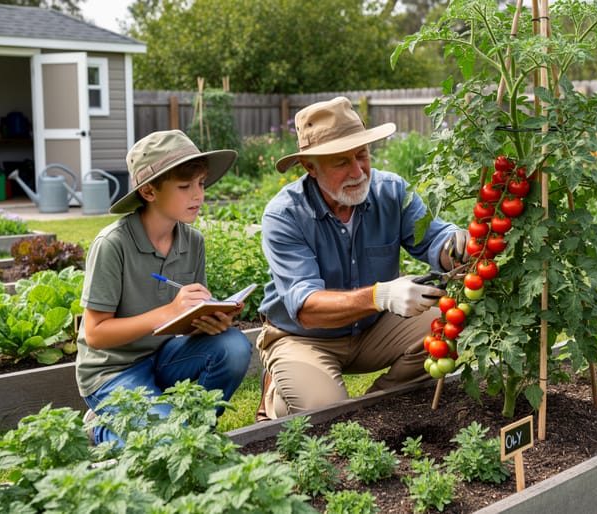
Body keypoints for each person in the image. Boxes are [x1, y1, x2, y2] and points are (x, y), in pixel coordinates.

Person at [255, 96, 469, 421]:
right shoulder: (285, 215)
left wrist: (455, 246)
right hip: (304, 337)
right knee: (322, 410)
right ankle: (279, 391)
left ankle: (376, 412)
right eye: (341, 162)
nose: (358, 171)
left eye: (362, 155)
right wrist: (380, 295)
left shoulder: (391, 191)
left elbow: (434, 240)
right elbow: (307, 308)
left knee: (446, 327)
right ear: (310, 167)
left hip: (371, 330)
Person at [76, 130, 252, 446]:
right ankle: (101, 427)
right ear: (148, 191)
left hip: (164, 357)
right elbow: (96, 334)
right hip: (113, 372)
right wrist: (168, 312)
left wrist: (211, 319)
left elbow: (185, 320)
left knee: (234, 346)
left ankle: (193, 437)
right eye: (184, 187)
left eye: (201, 183)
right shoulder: (112, 245)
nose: (198, 195)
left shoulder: (192, 242)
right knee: (165, 442)